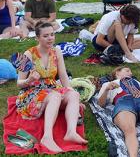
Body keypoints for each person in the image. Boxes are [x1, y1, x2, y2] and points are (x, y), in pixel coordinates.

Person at [16, 22, 87, 153]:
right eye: (45, 36)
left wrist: (74, 97)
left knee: (74, 94)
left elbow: (64, 76)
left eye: (52, 35)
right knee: (55, 96)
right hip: (32, 92)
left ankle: (71, 132)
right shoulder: (27, 54)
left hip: (52, 88)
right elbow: (19, 83)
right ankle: (47, 137)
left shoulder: (57, 51)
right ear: (37, 38)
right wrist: (29, 79)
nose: (50, 38)